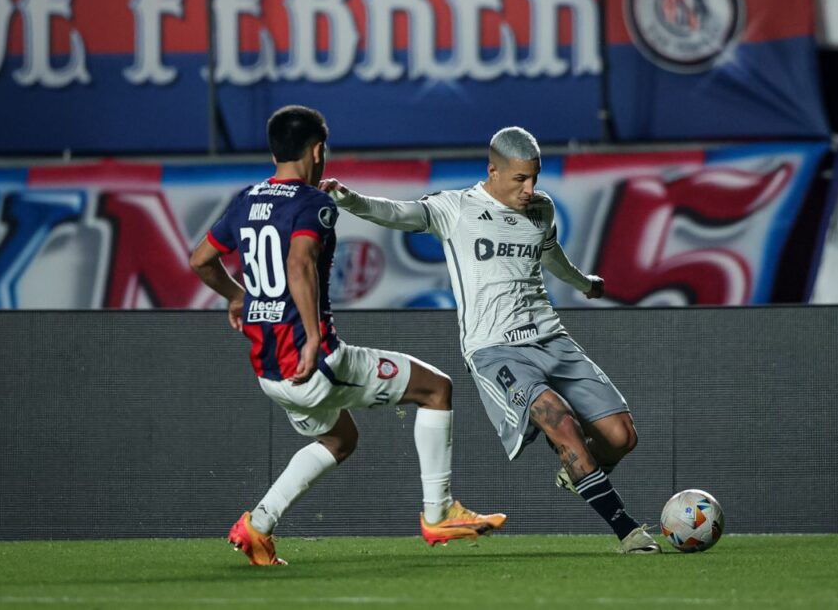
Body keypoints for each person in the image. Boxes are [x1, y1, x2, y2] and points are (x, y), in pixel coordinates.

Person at [189, 105, 506, 566]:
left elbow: (201, 259)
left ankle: (257, 526)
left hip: (270, 372)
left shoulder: (246, 199)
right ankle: (438, 513)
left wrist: (236, 296)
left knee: (340, 439)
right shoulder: (313, 203)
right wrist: (315, 339)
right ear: (318, 150)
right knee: (436, 388)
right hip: (316, 364)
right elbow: (299, 264)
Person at [319, 126, 659, 554]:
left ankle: (580, 473)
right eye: (519, 179)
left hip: (551, 337)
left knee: (621, 437)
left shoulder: (541, 210)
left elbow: (548, 253)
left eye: (534, 178)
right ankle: (627, 530)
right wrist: (350, 200)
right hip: (495, 348)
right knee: (561, 424)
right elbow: (396, 212)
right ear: (493, 171)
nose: (529, 188)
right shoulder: (456, 208)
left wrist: (584, 283)